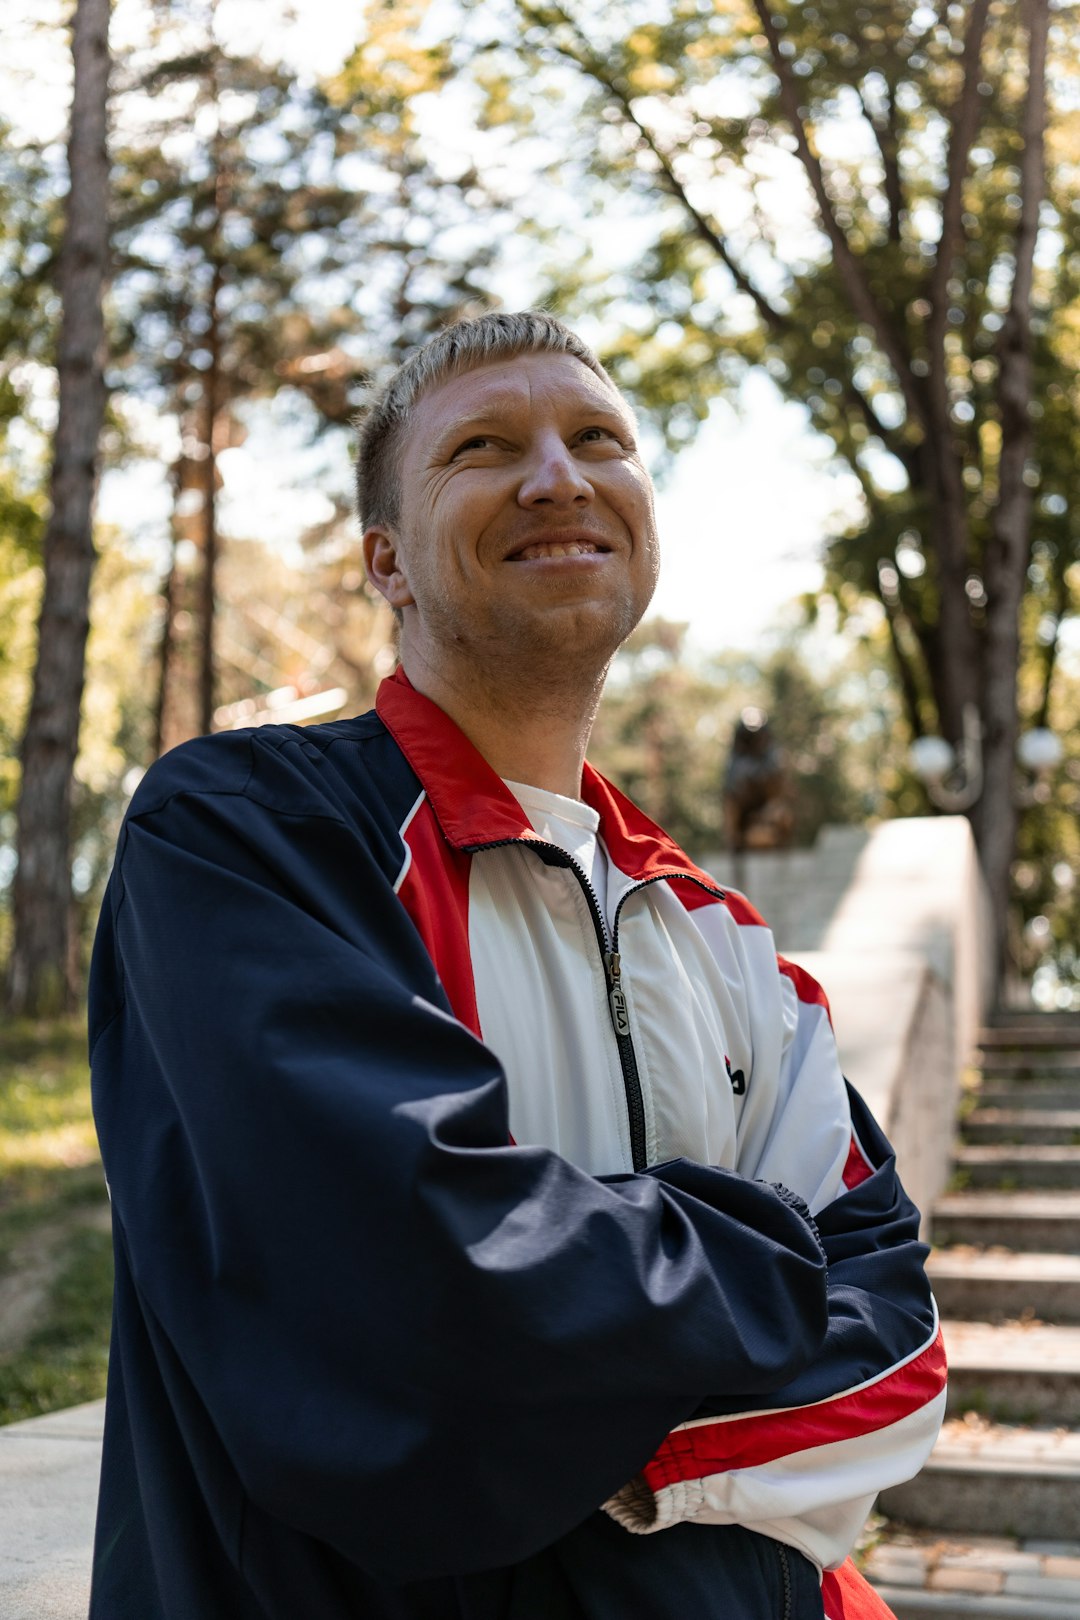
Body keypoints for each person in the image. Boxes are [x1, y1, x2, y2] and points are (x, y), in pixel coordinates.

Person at [88, 310, 945, 1620]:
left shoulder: (733, 943)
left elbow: (896, 1351)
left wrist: (583, 1393)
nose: (558, 476)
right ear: (386, 561)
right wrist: (771, 1265)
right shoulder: (248, 834)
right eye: (483, 448)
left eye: (598, 438)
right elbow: (424, 1324)